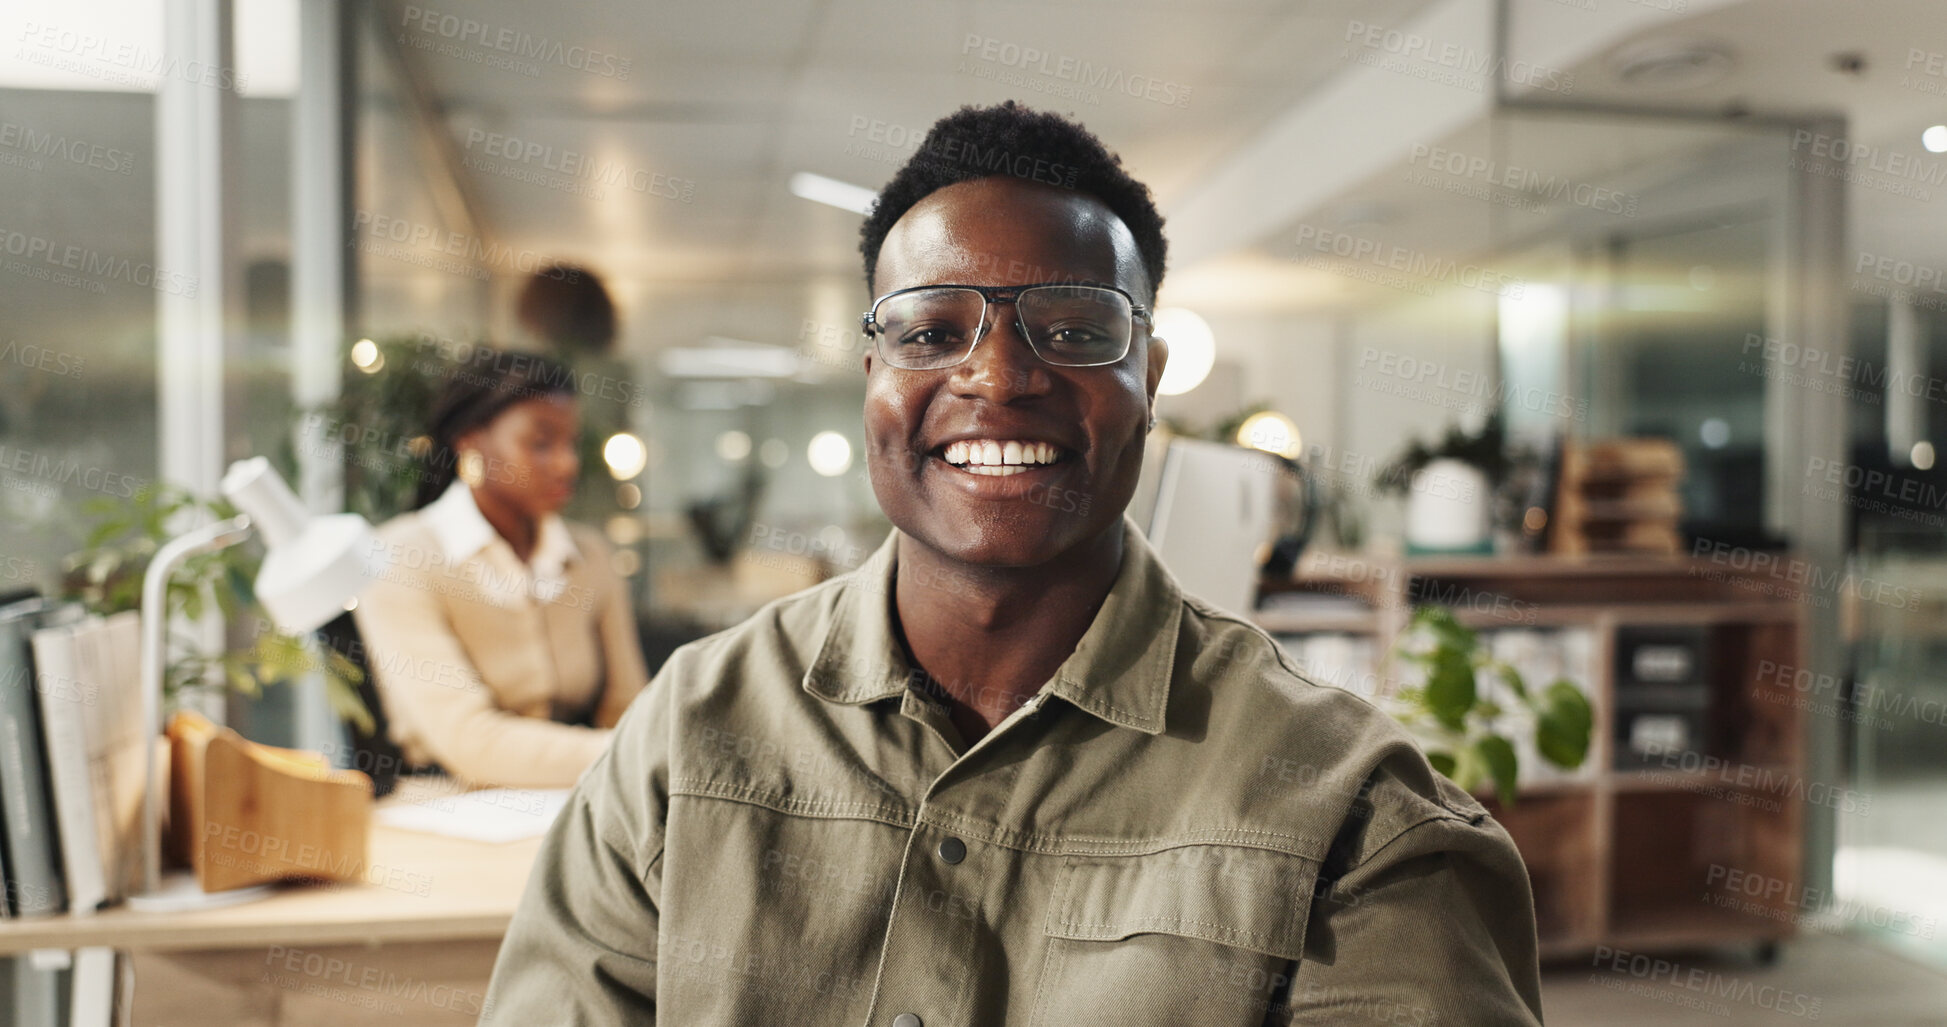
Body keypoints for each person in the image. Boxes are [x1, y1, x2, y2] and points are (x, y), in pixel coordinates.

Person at [482, 102, 1544, 1025]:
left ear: (1150, 376)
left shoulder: (1345, 805)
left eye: (1076, 330)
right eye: (931, 331)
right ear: (871, 379)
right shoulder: (691, 734)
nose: (996, 376)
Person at [353, 347, 647, 789]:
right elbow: (469, 743)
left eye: (571, 443)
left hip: (580, 800)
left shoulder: (590, 556)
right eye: (541, 443)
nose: (567, 463)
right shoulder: (399, 557)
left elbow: (628, 709)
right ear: (470, 440)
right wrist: (640, 753)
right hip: (445, 810)